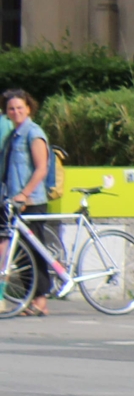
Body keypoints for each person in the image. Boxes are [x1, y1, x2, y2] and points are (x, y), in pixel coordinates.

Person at [1, 88, 55, 316]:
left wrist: (25, 193)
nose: (15, 112)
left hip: (31, 201)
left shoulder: (34, 133)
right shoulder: (13, 135)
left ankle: (41, 300)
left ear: (29, 108)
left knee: (34, 250)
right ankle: (31, 297)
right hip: (12, 201)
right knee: (19, 250)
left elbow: (42, 168)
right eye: (11, 109)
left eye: (19, 108)